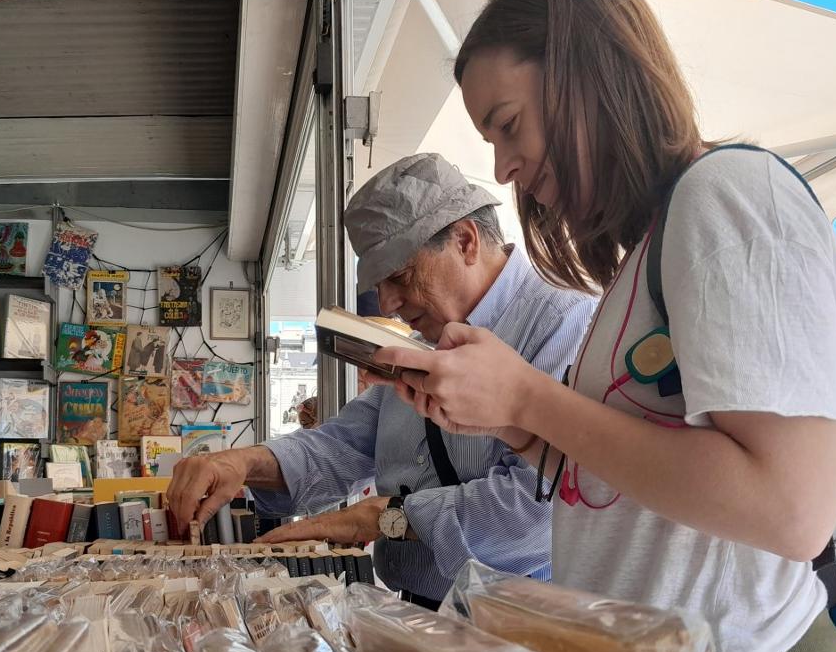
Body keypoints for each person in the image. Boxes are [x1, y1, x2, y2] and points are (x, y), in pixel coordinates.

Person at [373, 0, 836, 652]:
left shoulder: (731, 196)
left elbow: (787, 504)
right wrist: (513, 423)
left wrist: (536, 397)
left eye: (508, 125)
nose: (503, 168)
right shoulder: (647, 252)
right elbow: (638, 487)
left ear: (584, 70)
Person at [168, 153, 593, 608]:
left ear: (465, 242)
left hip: (520, 621)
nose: (388, 304)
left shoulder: (563, 321)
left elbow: (539, 510)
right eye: (379, 284)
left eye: (400, 277)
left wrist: (385, 517)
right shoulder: (420, 341)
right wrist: (243, 463)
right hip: (421, 608)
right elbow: (343, 444)